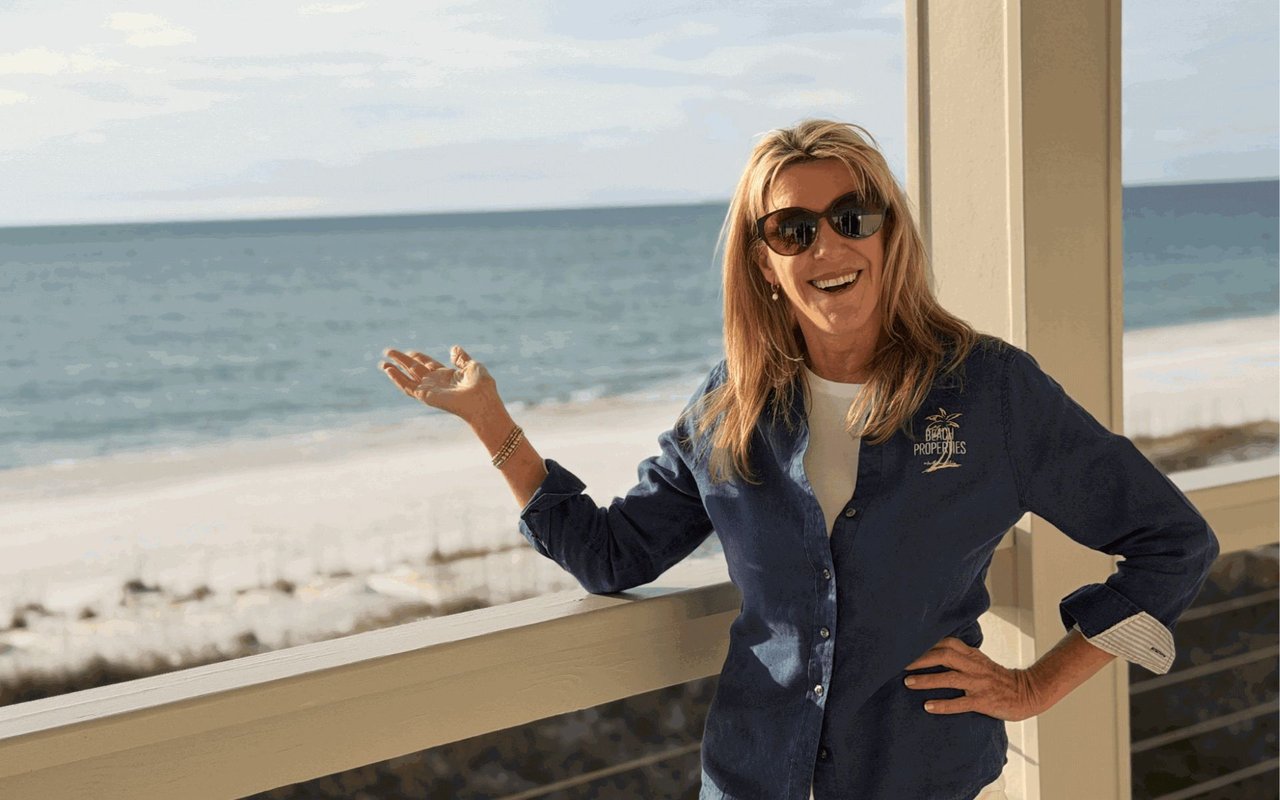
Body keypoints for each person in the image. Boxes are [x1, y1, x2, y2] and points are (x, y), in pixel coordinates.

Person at [378, 119, 1220, 800]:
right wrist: (492, 422)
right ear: (764, 261)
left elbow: (1174, 543)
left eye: (854, 217)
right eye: (794, 229)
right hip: (750, 779)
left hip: (922, 780)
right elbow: (613, 556)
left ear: (889, 234)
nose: (828, 247)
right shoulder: (729, 407)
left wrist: (1037, 686)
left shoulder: (990, 390)